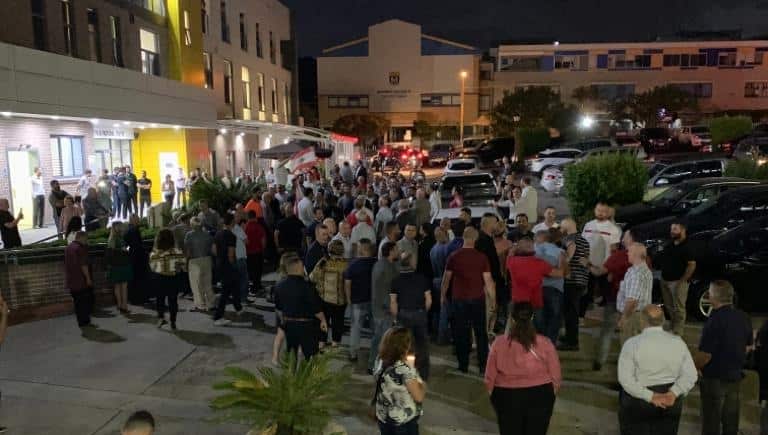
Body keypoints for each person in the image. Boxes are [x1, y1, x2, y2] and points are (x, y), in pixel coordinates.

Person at [618, 305, 697, 435]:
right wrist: (673, 393)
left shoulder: (632, 344)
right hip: (670, 402)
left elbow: (625, 379)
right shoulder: (678, 342)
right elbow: (691, 375)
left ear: (642, 321)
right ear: (663, 320)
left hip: (640, 401)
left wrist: (651, 396)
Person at [485, 302, 561, 435]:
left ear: (512, 319)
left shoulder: (499, 343)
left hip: (507, 395)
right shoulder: (545, 343)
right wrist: (551, 392)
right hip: (540, 394)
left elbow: (489, 376)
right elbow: (555, 374)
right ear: (532, 318)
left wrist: (494, 394)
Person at [694, 280, 753, 435]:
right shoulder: (743, 317)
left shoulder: (714, 320)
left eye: (709, 293)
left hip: (714, 378)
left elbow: (705, 354)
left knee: (711, 421)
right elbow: (748, 347)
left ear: (714, 297)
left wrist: (695, 367)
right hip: (735, 376)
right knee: (731, 420)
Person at [442, 227, 496, 374]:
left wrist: (442, 296)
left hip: (459, 299)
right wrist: (493, 300)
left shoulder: (454, 256)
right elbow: (488, 281)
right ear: (475, 239)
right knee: (481, 333)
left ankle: (463, 364)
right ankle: (483, 365)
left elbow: (446, 279)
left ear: (464, 238)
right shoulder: (482, 257)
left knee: (461, 333)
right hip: (477, 298)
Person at [274, 252, 328, 361]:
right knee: (311, 355)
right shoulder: (307, 286)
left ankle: (291, 376)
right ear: (298, 269)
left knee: (291, 354)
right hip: (306, 326)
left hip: (289, 325)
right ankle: (310, 375)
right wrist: (323, 320)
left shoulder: (279, 286)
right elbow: (315, 308)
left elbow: (279, 307)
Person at [374, 326, 427, 435]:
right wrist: (421, 382)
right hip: (403, 422)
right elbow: (419, 396)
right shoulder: (404, 370)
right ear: (405, 345)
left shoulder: (380, 360)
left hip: (383, 417)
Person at [390, 256, 432, 380]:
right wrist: (424, 311)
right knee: (422, 345)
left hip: (403, 315)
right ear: (412, 264)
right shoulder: (422, 279)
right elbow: (429, 300)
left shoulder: (396, 280)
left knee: (404, 345)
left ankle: (405, 373)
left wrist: (395, 317)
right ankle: (423, 374)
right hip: (419, 314)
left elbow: (393, 302)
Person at [506, 238, 564, 316]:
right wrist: (562, 260)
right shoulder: (539, 263)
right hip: (534, 301)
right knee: (536, 325)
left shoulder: (511, 261)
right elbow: (559, 274)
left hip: (517, 299)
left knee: (515, 324)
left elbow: (510, 253)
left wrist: (516, 247)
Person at [658, 221, 697, 336]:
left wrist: (682, 281)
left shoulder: (688, 246)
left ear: (683, 230)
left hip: (678, 282)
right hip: (665, 280)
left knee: (679, 307)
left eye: (675, 229)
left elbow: (692, 265)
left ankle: (678, 330)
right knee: (669, 305)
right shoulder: (670, 244)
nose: (672, 232)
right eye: (671, 229)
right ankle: (673, 325)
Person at [309, 239, 348, 348]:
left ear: (329, 250)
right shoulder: (346, 264)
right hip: (340, 300)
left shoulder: (323, 262)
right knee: (338, 322)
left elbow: (312, 278)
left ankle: (321, 342)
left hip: (324, 299)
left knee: (323, 320)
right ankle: (335, 343)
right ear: (342, 251)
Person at [559, 218, 590, 351]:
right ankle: (570, 337)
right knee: (572, 311)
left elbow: (571, 249)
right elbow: (585, 261)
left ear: (567, 227)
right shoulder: (584, 241)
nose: (560, 230)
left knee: (570, 312)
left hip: (570, 280)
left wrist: (565, 261)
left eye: (561, 227)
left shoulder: (569, 239)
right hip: (580, 280)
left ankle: (572, 342)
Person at [344, 238, 377, 362]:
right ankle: (375, 353)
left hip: (357, 302)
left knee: (355, 328)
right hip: (373, 302)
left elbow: (347, 283)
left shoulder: (353, 264)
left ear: (362, 249)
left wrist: (348, 299)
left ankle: (353, 354)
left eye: (358, 247)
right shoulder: (376, 263)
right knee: (375, 329)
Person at [370, 242, 401, 374]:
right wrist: (391, 308)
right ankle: (375, 366)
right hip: (383, 310)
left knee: (380, 338)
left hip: (380, 308)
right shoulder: (386, 268)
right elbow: (385, 291)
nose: (398, 251)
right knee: (381, 340)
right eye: (396, 250)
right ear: (391, 251)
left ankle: (376, 365)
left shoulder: (381, 264)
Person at [533, 230, 567, 344]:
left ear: (538, 239)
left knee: (539, 320)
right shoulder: (560, 252)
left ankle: (539, 346)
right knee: (554, 319)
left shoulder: (533, 252)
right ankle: (550, 347)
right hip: (556, 290)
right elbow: (565, 272)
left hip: (537, 290)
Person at [616, 243, 653, 344]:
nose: (627, 254)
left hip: (633, 317)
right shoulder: (638, 270)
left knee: (628, 347)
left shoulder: (637, 273)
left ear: (636, 254)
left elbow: (632, 301)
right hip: (637, 315)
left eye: (629, 251)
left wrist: (624, 318)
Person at [149, 229, 185, 330]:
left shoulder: (155, 254)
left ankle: (161, 317)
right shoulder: (177, 251)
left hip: (159, 278)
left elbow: (152, 267)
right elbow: (183, 265)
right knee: (173, 300)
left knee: (160, 300)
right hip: (173, 278)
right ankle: (173, 321)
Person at [213, 214, 243, 326]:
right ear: (232, 222)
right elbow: (231, 253)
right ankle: (218, 316)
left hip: (219, 264)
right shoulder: (231, 235)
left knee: (234, 286)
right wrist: (232, 264)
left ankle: (238, 308)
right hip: (228, 266)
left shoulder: (218, 234)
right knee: (225, 291)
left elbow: (214, 250)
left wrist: (220, 258)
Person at [185, 217, 215, 312]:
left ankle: (200, 305)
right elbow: (213, 249)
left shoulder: (189, 235)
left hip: (195, 261)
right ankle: (211, 304)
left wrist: (185, 262)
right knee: (207, 283)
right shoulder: (208, 235)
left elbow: (188, 252)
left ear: (192, 225)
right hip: (207, 259)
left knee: (196, 285)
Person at [65, 232, 94, 327]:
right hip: (80, 279)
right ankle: (85, 320)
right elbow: (83, 265)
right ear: (81, 238)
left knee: (77, 302)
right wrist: (88, 278)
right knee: (83, 301)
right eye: (86, 239)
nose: (86, 241)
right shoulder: (80, 248)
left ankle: (80, 321)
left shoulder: (68, 248)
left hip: (71, 279)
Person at [106, 221, 132, 314]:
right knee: (124, 286)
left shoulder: (112, 238)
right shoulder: (117, 238)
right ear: (116, 227)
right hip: (122, 264)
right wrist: (123, 250)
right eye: (120, 226)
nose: (122, 228)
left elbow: (110, 252)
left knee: (117, 286)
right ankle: (124, 305)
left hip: (116, 266)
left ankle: (120, 305)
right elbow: (115, 251)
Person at [125, 214, 150, 305]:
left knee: (135, 278)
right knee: (139, 278)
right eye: (137, 219)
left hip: (133, 257)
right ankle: (139, 298)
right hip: (138, 257)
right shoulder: (134, 230)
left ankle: (135, 298)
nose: (138, 221)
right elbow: (137, 245)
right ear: (132, 220)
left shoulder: (129, 230)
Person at [244, 211, 266, 296]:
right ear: (255, 217)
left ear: (248, 218)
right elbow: (263, 241)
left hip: (249, 253)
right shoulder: (259, 227)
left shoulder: (245, 227)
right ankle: (257, 287)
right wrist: (262, 248)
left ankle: (253, 287)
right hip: (258, 252)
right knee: (258, 270)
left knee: (251, 271)